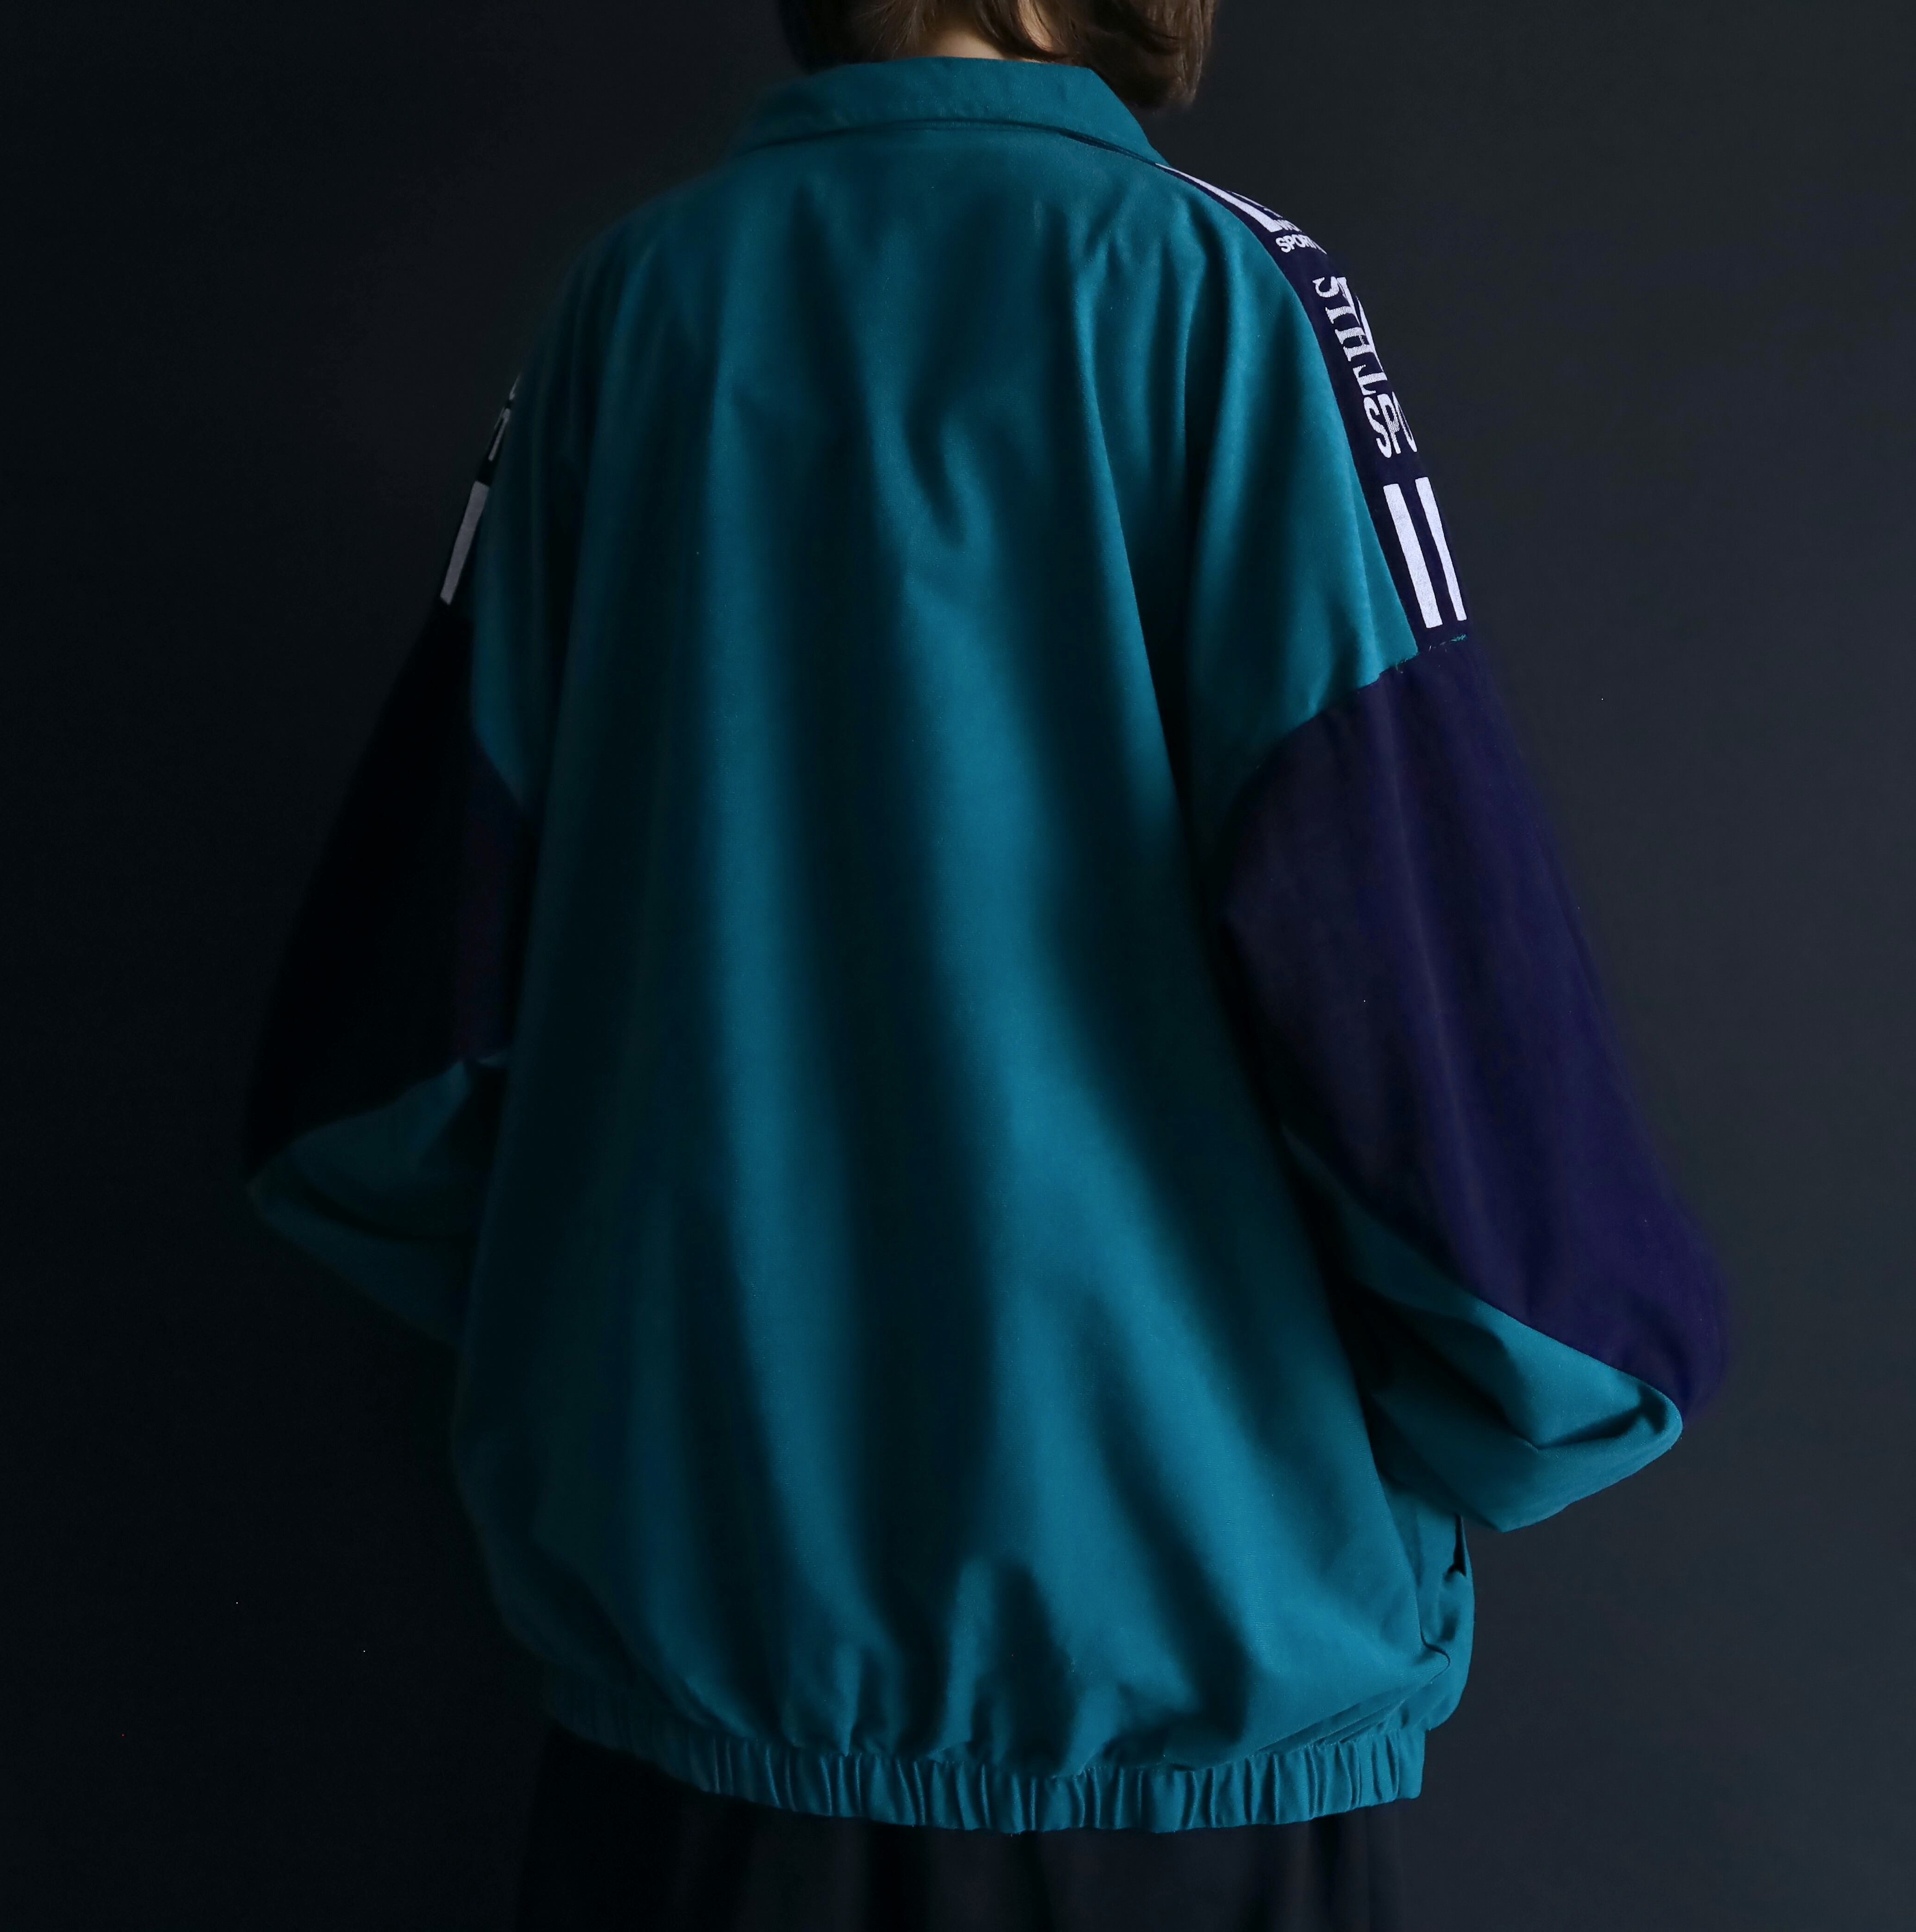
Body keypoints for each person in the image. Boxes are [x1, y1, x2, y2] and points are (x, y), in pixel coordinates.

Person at [241, 1, 1731, 1925]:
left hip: (699, 1654)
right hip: (1166, 1655)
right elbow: (1402, 956)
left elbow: (399, 1044)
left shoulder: (630, 303)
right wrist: (1573, 1371)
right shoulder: (1217, 288)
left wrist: (641, 1370)